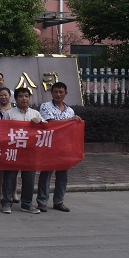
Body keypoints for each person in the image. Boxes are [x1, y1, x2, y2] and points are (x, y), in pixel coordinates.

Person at [37, 82, 83, 212]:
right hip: (49, 145)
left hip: (65, 147)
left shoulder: (70, 111)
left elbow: (73, 130)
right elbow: (50, 123)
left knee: (62, 176)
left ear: (65, 94)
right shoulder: (45, 106)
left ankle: (59, 201)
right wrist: (70, 120)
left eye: (61, 92)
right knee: (46, 175)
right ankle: (42, 201)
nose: (58, 94)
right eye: (55, 92)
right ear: (51, 93)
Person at [1, 87, 45, 215]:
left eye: (26, 96)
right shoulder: (9, 114)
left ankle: (26, 203)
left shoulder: (35, 114)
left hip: (30, 151)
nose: (24, 99)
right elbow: (2, 131)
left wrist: (40, 121)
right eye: (20, 96)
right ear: (16, 99)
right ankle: (6, 202)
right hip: (13, 149)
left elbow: (46, 127)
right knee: (10, 177)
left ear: (29, 98)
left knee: (29, 178)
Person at [0, 86, 16, 202]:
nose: (3, 97)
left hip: (13, 141)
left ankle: (14, 193)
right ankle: (0, 193)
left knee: (13, 168)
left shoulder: (15, 108)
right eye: (1, 95)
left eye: (5, 95)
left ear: (9, 96)